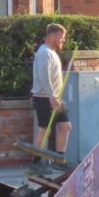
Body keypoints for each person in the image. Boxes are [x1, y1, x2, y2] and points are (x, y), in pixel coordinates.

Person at [31, 23, 70, 157]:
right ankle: (36, 163)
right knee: (44, 130)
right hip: (44, 97)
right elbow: (43, 76)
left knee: (65, 126)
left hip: (53, 97)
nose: (63, 40)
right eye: (62, 37)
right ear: (54, 36)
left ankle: (60, 158)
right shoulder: (44, 53)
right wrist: (51, 96)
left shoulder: (51, 52)